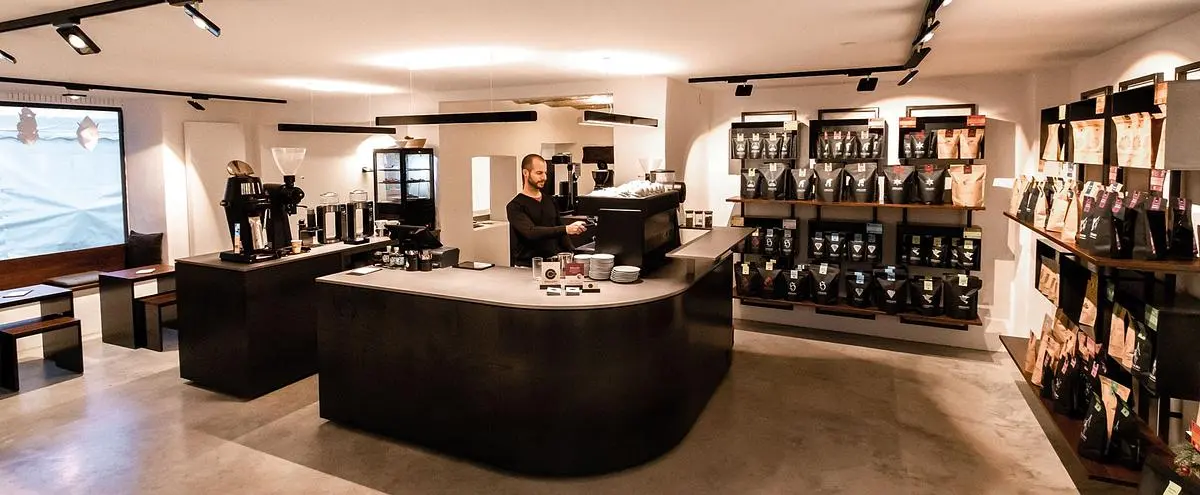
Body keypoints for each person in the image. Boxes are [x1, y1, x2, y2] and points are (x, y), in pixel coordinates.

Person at [507, 154, 587, 267]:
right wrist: (566, 229)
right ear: (525, 173)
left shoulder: (550, 200)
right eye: (539, 173)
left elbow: (561, 232)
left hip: (553, 264)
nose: (544, 177)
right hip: (527, 266)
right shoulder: (515, 206)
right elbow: (531, 232)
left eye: (545, 173)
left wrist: (573, 254)